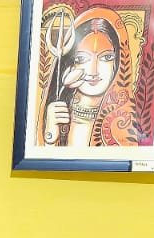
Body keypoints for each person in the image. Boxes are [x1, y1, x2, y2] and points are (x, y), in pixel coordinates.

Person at [40, 9, 142, 148]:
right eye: (81, 59)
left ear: (119, 61)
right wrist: (50, 138)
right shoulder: (58, 113)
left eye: (106, 57)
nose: (93, 71)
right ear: (69, 63)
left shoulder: (124, 120)